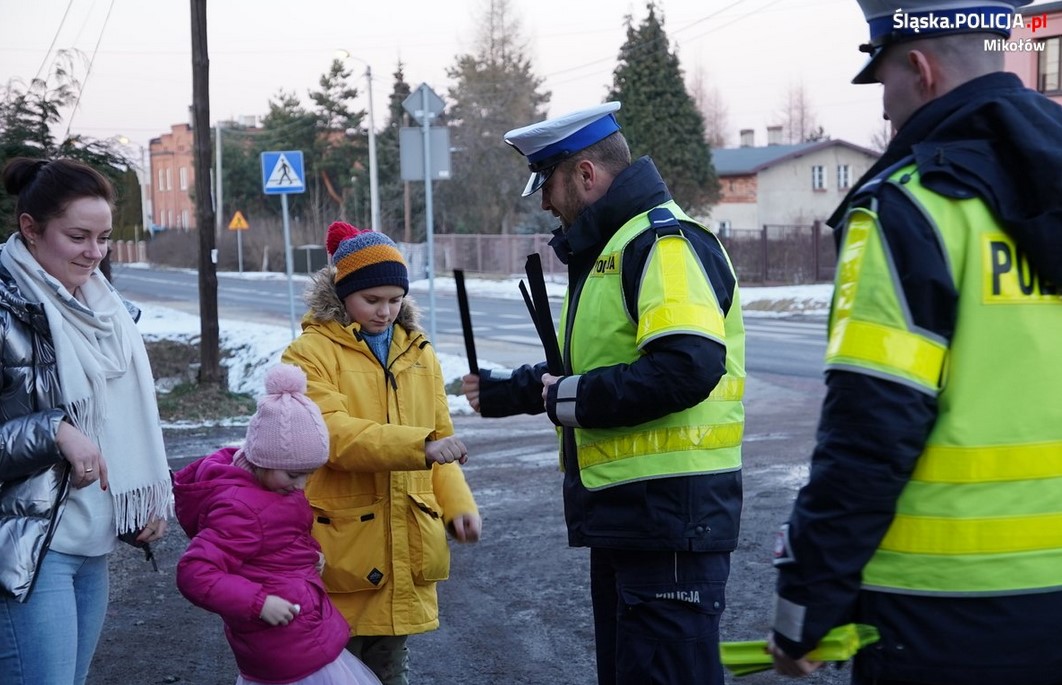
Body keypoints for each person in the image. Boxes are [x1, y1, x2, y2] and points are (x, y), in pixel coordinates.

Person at [769, 1, 1062, 683]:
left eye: (884, 87)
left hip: (942, 615)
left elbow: (870, 433)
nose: (886, 115)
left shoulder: (910, 206)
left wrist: (805, 606)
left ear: (921, 70)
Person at [461, 102, 746, 685]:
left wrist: (570, 399)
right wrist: (509, 391)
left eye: (548, 184)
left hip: (669, 517)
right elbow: (595, 366)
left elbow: (687, 367)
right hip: (635, 518)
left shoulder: (662, 243)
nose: (544, 202)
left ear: (586, 175)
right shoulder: (617, 251)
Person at [281, 221, 481, 685]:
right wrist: (420, 447)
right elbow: (330, 435)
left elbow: (441, 438)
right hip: (341, 548)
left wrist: (458, 507)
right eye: (372, 300)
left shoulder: (419, 352)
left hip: (405, 546)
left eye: (395, 299)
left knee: (390, 673)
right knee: (330, 674)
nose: (385, 311)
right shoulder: (308, 354)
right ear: (342, 292)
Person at [0, 157, 172, 684]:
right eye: (77, 236)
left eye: (103, 238)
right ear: (30, 229)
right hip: (29, 550)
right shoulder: (6, 311)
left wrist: (135, 501)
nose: (94, 253)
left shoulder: (107, 314)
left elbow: (118, 424)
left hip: (90, 544)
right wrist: (53, 430)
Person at [174, 363, 382, 685]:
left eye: (307, 475)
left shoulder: (274, 490)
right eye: (293, 474)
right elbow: (195, 572)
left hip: (301, 634)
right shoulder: (240, 508)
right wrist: (258, 603)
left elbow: (284, 538)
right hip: (280, 648)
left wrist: (311, 555)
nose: (300, 485)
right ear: (262, 459)